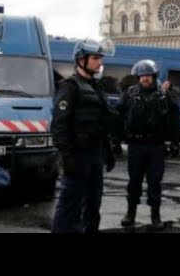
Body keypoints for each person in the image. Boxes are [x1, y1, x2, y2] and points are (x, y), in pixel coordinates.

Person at [50, 38, 116, 233]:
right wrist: (66, 157)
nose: (100, 62)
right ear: (81, 60)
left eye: (100, 58)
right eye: (95, 58)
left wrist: (108, 151)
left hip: (95, 155)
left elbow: (101, 124)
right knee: (69, 206)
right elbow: (59, 126)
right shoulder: (69, 87)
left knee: (93, 204)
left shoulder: (97, 87)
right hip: (77, 155)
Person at [115, 60, 180, 230]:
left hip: (155, 146)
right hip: (135, 145)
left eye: (148, 75)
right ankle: (130, 214)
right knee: (134, 182)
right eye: (142, 75)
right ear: (138, 77)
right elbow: (118, 115)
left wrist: (175, 142)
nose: (145, 78)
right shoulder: (129, 94)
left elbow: (174, 119)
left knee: (155, 183)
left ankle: (155, 216)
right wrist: (115, 140)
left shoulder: (164, 95)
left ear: (154, 76)